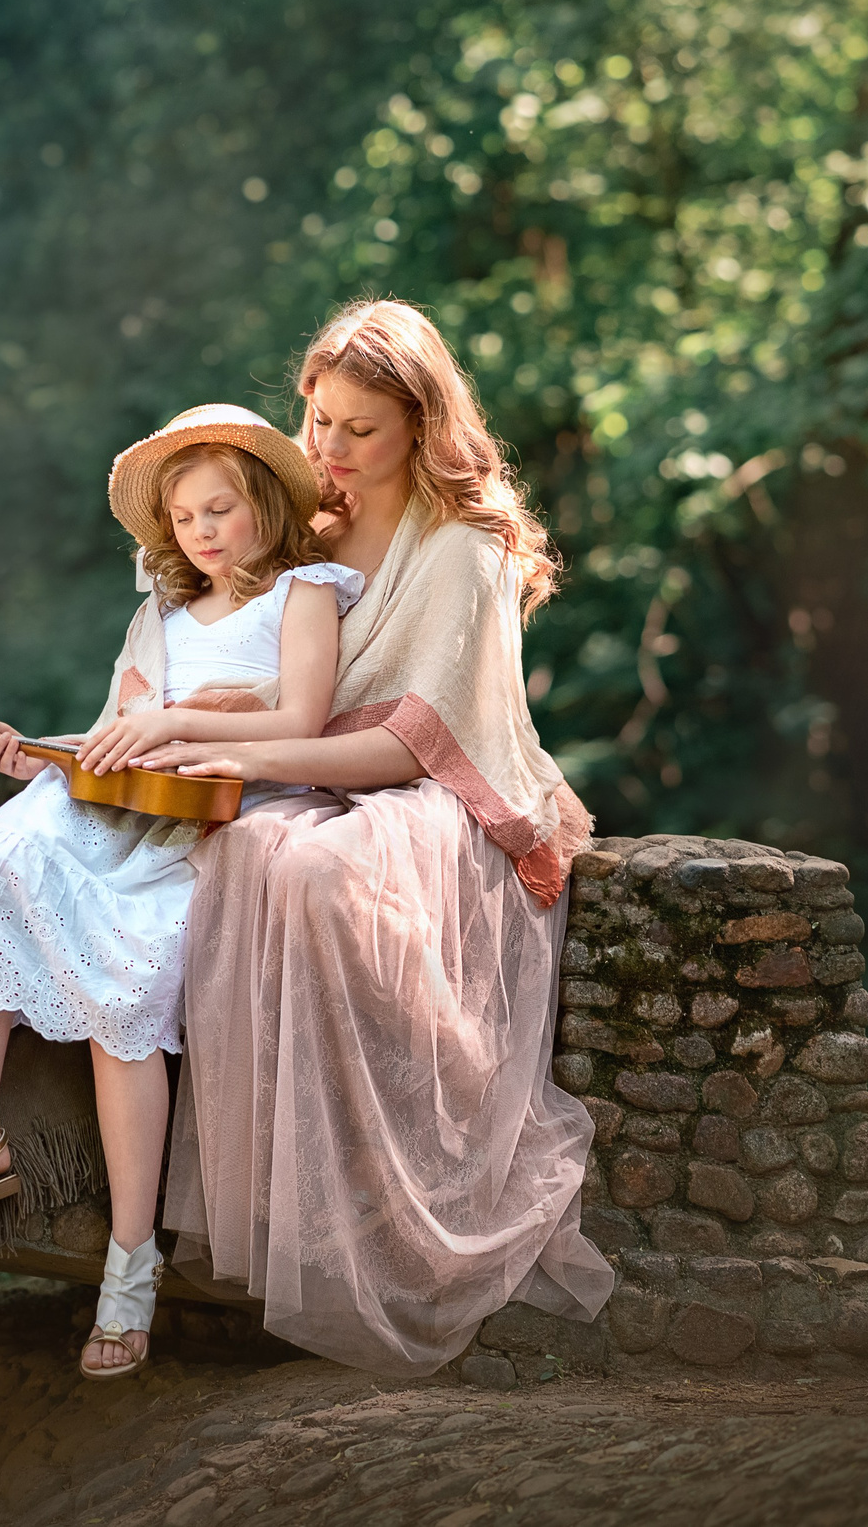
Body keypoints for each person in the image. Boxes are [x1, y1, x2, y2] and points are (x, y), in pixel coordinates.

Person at [135, 301, 618, 1375]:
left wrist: (248, 761)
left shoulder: (464, 545)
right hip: (312, 769)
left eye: (359, 430)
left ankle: (410, 1199)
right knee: (247, 856)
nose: (330, 452)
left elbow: (410, 745)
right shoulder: (301, 522)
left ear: (419, 423)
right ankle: (297, 1224)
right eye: (319, 424)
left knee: (311, 865)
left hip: (436, 794)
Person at [0, 405, 366, 1380]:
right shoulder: (157, 615)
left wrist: (184, 716)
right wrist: (34, 757)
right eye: (186, 517)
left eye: (221, 508)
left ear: (265, 507)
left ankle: (130, 1256)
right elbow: (114, 736)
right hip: (122, 804)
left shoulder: (303, 595)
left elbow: (302, 718)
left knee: (123, 998)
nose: (202, 531)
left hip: (213, 813)